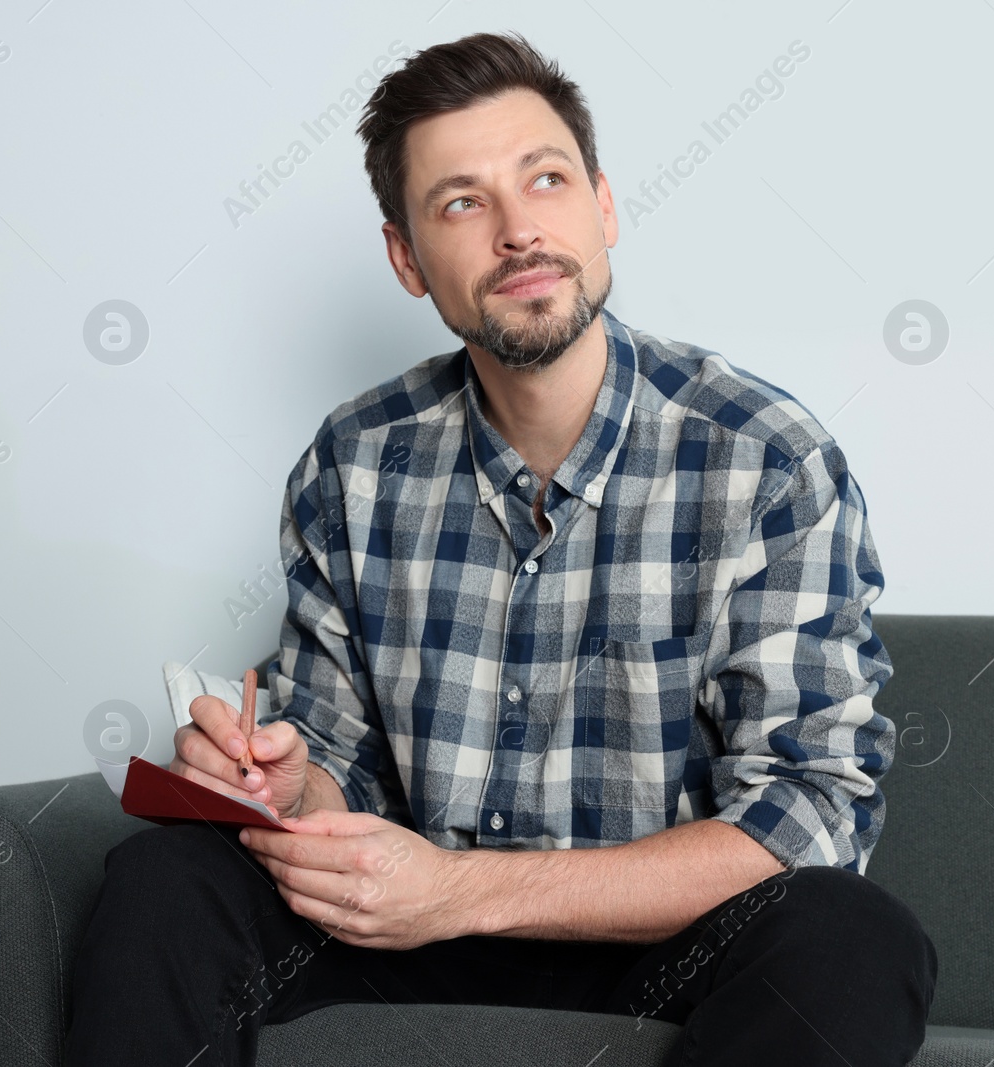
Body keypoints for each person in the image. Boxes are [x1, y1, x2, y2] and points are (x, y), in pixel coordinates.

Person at [65, 30, 937, 1066]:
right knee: (168, 876)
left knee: (853, 933)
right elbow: (335, 763)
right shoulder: (354, 463)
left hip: (657, 948)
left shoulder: (765, 461)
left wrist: (462, 891)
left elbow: (811, 812)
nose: (520, 231)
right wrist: (284, 781)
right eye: (463, 203)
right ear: (406, 257)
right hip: (400, 937)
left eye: (547, 180)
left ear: (603, 207)